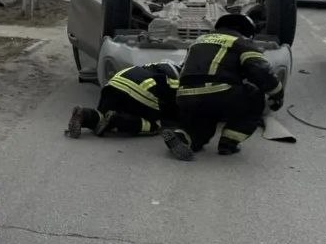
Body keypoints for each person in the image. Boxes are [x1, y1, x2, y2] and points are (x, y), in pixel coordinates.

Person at [162, 13, 284, 161]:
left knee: (201, 127)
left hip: (186, 96)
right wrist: (277, 93)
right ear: (245, 31)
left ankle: (183, 138)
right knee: (255, 95)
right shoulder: (241, 42)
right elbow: (260, 70)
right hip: (219, 93)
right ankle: (228, 143)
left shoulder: (197, 42)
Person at [65, 62, 181, 139]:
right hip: (138, 90)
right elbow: (174, 105)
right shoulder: (177, 78)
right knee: (155, 125)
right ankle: (118, 120)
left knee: (102, 115)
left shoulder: (150, 66)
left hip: (114, 84)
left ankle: (84, 114)